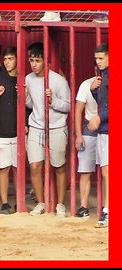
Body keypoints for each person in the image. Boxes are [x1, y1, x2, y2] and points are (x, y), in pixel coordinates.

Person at [25, 42, 71, 217]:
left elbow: (67, 106)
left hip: (57, 127)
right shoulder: (28, 79)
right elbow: (31, 104)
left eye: (37, 60)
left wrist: (53, 101)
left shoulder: (58, 80)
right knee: (35, 166)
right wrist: (25, 96)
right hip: (36, 126)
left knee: (58, 166)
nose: (34, 64)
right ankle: (41, 202)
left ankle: (60, 204)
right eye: (31, 60)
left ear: (46, 61)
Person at [0, 47, 20, 214]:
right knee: (3, 168)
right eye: (5, 59)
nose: (7, 62)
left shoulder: (23, 79)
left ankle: (19, 201)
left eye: (11, 58)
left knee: (17, 168)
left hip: (19, 131)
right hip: (2, 130)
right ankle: (4, 202)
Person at [88, 43, 108, 228]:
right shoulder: (104, 77)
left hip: (109, 129)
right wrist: (94, 90)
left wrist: (99, 117)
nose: (98, 61)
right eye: (96, 58)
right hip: (104, 130)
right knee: (105, 171)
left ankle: (109, 210)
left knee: (107, 171)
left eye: (101, 58)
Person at [74, 73, 98, 219]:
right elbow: (78, 110)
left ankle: (106, 206)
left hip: (108, 127)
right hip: (89, 128)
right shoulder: (85, 84)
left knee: (107, 171)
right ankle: (83, 206)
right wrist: (78, 135)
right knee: (85, 170)